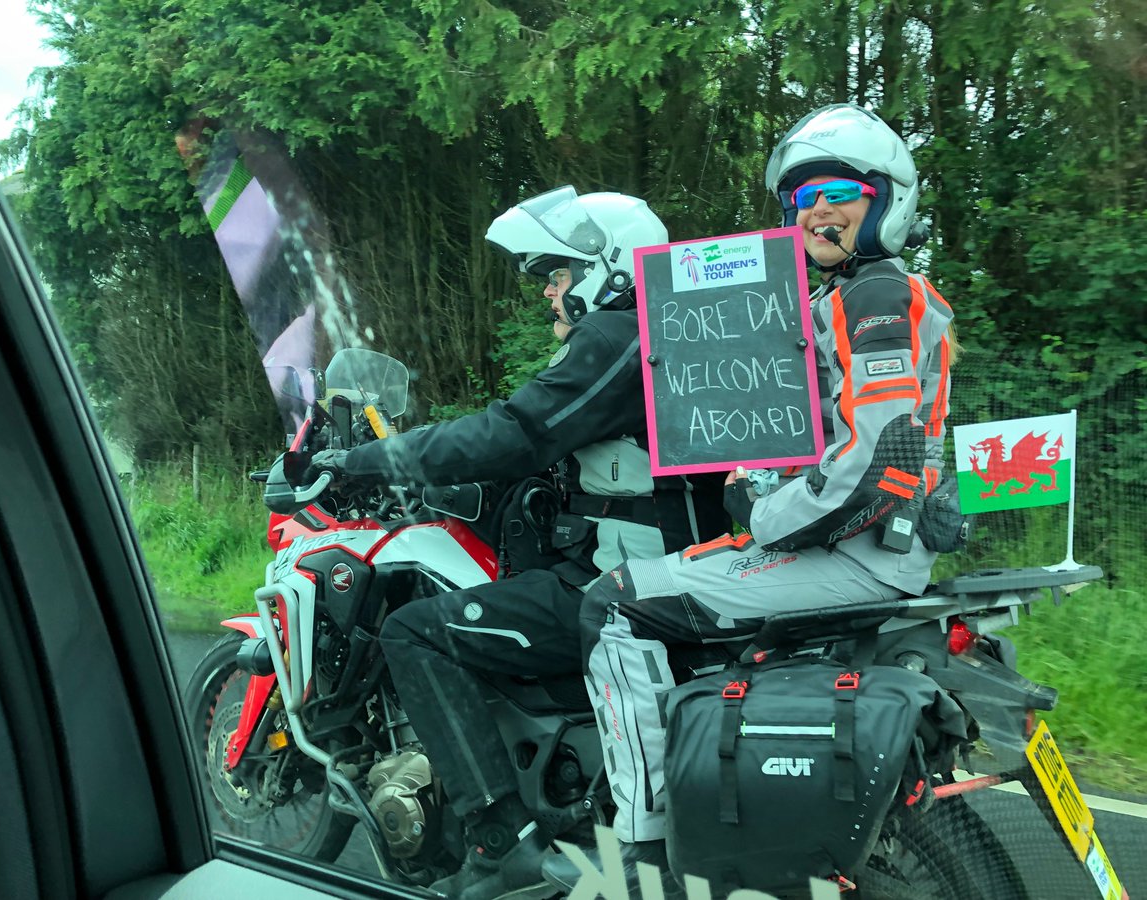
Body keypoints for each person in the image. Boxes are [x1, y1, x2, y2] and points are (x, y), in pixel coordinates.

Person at [542, 104, 960, 894]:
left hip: (850, 554)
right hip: (868, 548)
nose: (821, 211)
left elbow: (876, 463)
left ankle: (646, 848)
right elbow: (882, 438)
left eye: (842, 192)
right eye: (804, 200)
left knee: (615, 604)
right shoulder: (857, 299)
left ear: (887, 199)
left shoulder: (874, 297)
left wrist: (762, 517)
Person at [305, 185, 729, 899]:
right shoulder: (676, 340)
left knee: (416, 632)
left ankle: (502, 843)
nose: (549, 295)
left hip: (618, 587)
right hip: (675, 571)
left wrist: (366, 460)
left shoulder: (622, 336)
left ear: (609, 268)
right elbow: (561, 451)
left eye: (557, 276)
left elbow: (515, 431)